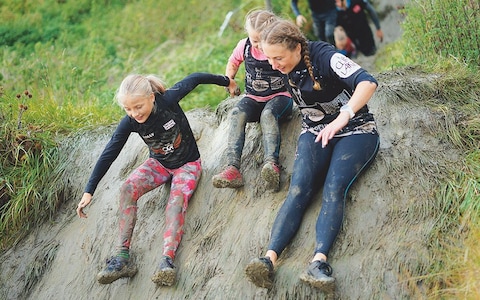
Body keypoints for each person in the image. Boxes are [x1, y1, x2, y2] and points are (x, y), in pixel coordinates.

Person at [244, 18, 380, 293]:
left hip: (356, 130)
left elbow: (368, 82)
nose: (273, 65)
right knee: (298, 189)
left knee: (333, 186)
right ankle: (268, 259)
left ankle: (319, 262)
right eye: (269, 59)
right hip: (315, 130)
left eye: (278, 58)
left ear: (296, 47)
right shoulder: (278, 62)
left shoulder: (325, 57)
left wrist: (342, 118)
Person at [76, 73, 238, 286]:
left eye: (138, 106)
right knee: (127, 189)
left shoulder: (168, 101)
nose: (134, 113)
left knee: (175, 202)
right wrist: (89, 190)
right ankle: (122, 258)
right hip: (159, 165)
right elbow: (110, 152)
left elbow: (195, 78)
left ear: (151, 98)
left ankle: (167, 261)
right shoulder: (130, 122)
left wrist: (227, 81)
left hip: (187, 165)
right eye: (128, 109)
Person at [212, 9, 293, 192]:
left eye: (259, 40)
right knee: (236, 114)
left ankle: (271, 164)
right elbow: (233, 61)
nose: (256, 44)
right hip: (254, 97)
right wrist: (229, 79)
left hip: (281, 98)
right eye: (253, 39)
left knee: (268, 114)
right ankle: (233, 168)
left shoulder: (278, 46)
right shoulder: (245, 46)